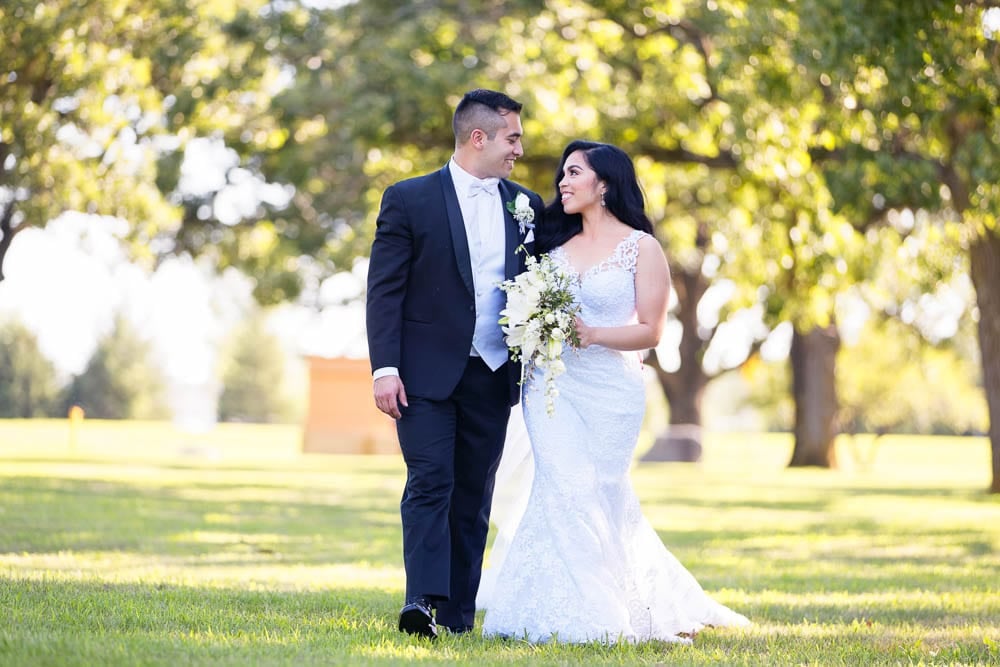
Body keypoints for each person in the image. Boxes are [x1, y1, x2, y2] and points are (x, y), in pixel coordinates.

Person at [481, 140, 750, 644]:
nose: (562, 182)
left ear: (603, 183)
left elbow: (651, 331)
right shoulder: (549, 248)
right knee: (565, 485)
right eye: (562, 173)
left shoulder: (641, 247)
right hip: (552, 387)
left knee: (603, 492)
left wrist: (596, 334)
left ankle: (635, 600)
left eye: (574, 173)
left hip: (612, 391)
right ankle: (582, 614)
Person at [365, 89, 544, 640]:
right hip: (422, 375)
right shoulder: (408, 199)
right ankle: (420, 602)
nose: (519, 149)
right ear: (479, 137)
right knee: (430, 480)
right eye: (512, 137)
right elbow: (384, 291)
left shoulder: (527, 205)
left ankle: (458, 616)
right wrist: (384, 368)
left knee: (474, 492)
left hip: (492, 375)